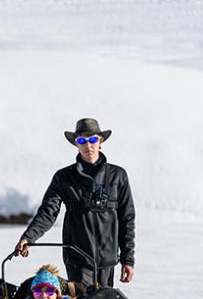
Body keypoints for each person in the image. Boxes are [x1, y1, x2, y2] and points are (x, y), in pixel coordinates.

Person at [15, 118, 135, 288]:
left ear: (100, 142)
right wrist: (29, 237)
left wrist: (127, 259)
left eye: (93, 139)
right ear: (76, 144)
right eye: (82, 141)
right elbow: (47, 213)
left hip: (107, 261)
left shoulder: (118, 176)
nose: (88, 145)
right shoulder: (64, 178)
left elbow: (127, 220)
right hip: (78, 260)